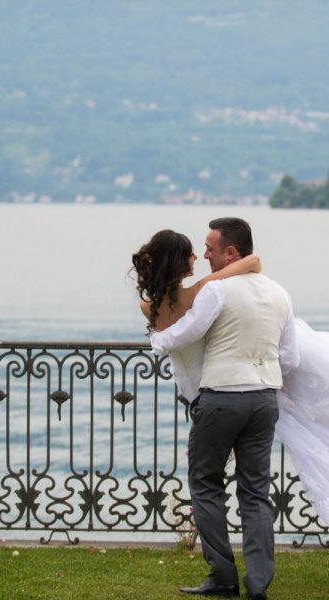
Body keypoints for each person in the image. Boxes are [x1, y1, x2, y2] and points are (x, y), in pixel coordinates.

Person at [133, 220, 298, 600]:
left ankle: (223, 577)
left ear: (230, 252)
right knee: (256, 492)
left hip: (222, 397)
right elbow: (290, 356)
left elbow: (184, 333)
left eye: (210, 248)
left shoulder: (217, 291)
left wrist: (157, 340)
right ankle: (258, 584)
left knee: (206, 485)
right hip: (264, 397)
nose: (204, 255)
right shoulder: (279, 293)